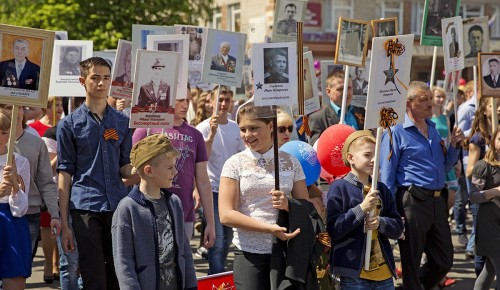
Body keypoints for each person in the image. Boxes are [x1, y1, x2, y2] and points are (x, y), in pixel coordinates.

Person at [57, 57, 135, 290]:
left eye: (106, 78)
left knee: (118, 275)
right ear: (83, 81)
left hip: (118, 206)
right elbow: (65, 174)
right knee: (94, 277)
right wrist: (65, 224)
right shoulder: (69, 124)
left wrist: (144, 165)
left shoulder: (122, 121)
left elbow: (125, 167)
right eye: (95, 77)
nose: (102, 83)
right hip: (85, 208)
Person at [379, 81, 465, 290]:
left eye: (429, 98)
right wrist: (390, 210)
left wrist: (453, 147)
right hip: (412, 201)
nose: (430, 103)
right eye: (423, 99)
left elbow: (442, 167)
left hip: (437, 201)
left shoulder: (433, 128)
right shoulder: (395, 132)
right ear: (409, 104)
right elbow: (387, 176)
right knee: (411, 261)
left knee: (444, 260)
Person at [218, 101, 311, 289]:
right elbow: (226, 214)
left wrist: (288, 204)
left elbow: (306, 207)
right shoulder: (234, 163)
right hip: (248, 253)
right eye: (243, 129)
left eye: (253, 128)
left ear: (270, 126)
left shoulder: (291, 162)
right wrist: (269, 228)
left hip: (286, 252)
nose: (247, 135)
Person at [132, 84, 216, 251]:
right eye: (179, 100)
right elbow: (132, 172)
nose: (185, 105)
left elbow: (203, 181)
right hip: (149, 212)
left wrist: (211, 223)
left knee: (180, 269)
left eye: (187, 100)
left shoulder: (195, 135)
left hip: (183, 214)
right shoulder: (145, 129)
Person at [112, 133, 197, 290]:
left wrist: (191, 285)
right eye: (170, 167)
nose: (175, 172)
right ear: (149, 171)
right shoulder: (128, 209)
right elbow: (123, 263)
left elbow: (185, 250)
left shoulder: (174, 203)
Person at [327, 130, 403, 289]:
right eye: (367, 155)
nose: (374, 160)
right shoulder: (339, 188)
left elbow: (397, 227)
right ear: (350, 158)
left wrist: (380, 223)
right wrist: (361, 209)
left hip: (383, 273)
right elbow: (335, 229)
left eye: (376, 154)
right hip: (353, 274)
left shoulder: (381, 189)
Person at [196, 86, 246, 275]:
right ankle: (216, 279)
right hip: (212, 191)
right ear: (211, 102)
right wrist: (211, 136)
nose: (224, 104)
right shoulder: (202, 128)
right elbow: (202, 159)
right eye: (220, 100)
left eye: (227, 100)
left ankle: (218, 279)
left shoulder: (236, 128)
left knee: (227, 240)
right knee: (216, 242)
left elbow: (242, 156)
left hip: (232, 191)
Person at [29, 96, 64, 284]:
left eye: (60, 104)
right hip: (44, 187)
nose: (58, 108)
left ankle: (57, 262)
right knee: (46, 226)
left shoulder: (64, 128)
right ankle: (48, 264)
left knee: (61, 224)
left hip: (63, 190)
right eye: (54, 105)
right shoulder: (35, 129)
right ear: (45, 108)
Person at [0, 108, 31, 290]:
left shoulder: (20, 162)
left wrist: (15, 187)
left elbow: (21, 209)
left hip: (12, 225)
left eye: (4, 132)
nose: (0, 138)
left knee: (15, 280)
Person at [470, 128, 500, 290]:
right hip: (489, 222)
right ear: (494, 142)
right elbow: (473, 196)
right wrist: (494, 192)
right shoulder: (483, 166)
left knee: (489, 269)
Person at [308, 69, 365, 146]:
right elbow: (316, 149)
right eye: (341, 89)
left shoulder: (361, 112)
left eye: (349, 88)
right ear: (329, 92)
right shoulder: (318, 118)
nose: (346, 93)